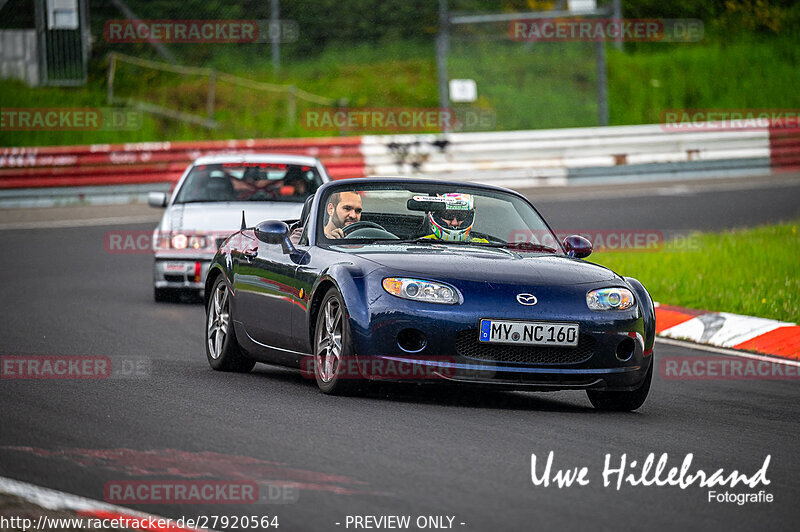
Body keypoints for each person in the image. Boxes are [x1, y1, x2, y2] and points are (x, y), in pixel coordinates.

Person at [289, 190, 362, 245]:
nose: (353, 215)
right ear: (331, 209)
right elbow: (294, 254)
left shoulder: (366, 237)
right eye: (347, 208)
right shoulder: (305, 235)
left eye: (358, 211)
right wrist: (325, 241)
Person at [421, 193, 488, 243]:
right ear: (436, 216)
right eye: (448, 215)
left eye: (461, 216)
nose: (454, 223)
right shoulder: (422, 243)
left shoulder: (483, 244)